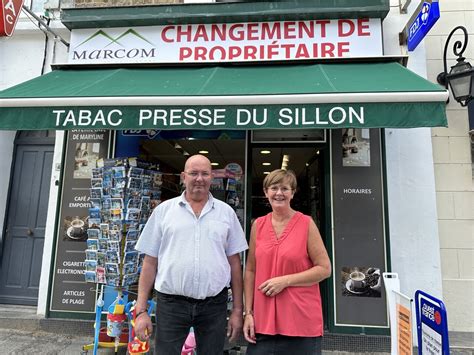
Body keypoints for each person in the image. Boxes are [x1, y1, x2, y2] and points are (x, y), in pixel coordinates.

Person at [134, 154, 248, 354]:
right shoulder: (163, 211)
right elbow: (150, 262)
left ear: (212, 177)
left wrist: (238, 310)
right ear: (183, 176)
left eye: (205, 173)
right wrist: (141, 311)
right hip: (171, 305)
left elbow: (235, 265)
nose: (199, 178)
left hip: (214, 306)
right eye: (194, 173)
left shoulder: (226, 213)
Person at [243, 169, 331, 355]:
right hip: (263, 322)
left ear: (293, 192)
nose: (279, 193)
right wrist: (248, 313)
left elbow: (324, 269)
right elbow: (250, 270)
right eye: (274, 188)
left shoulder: (306, 223)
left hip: (300, 321)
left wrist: (285, 281)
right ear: (266, 192)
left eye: (285, 188)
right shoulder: (258, 225)